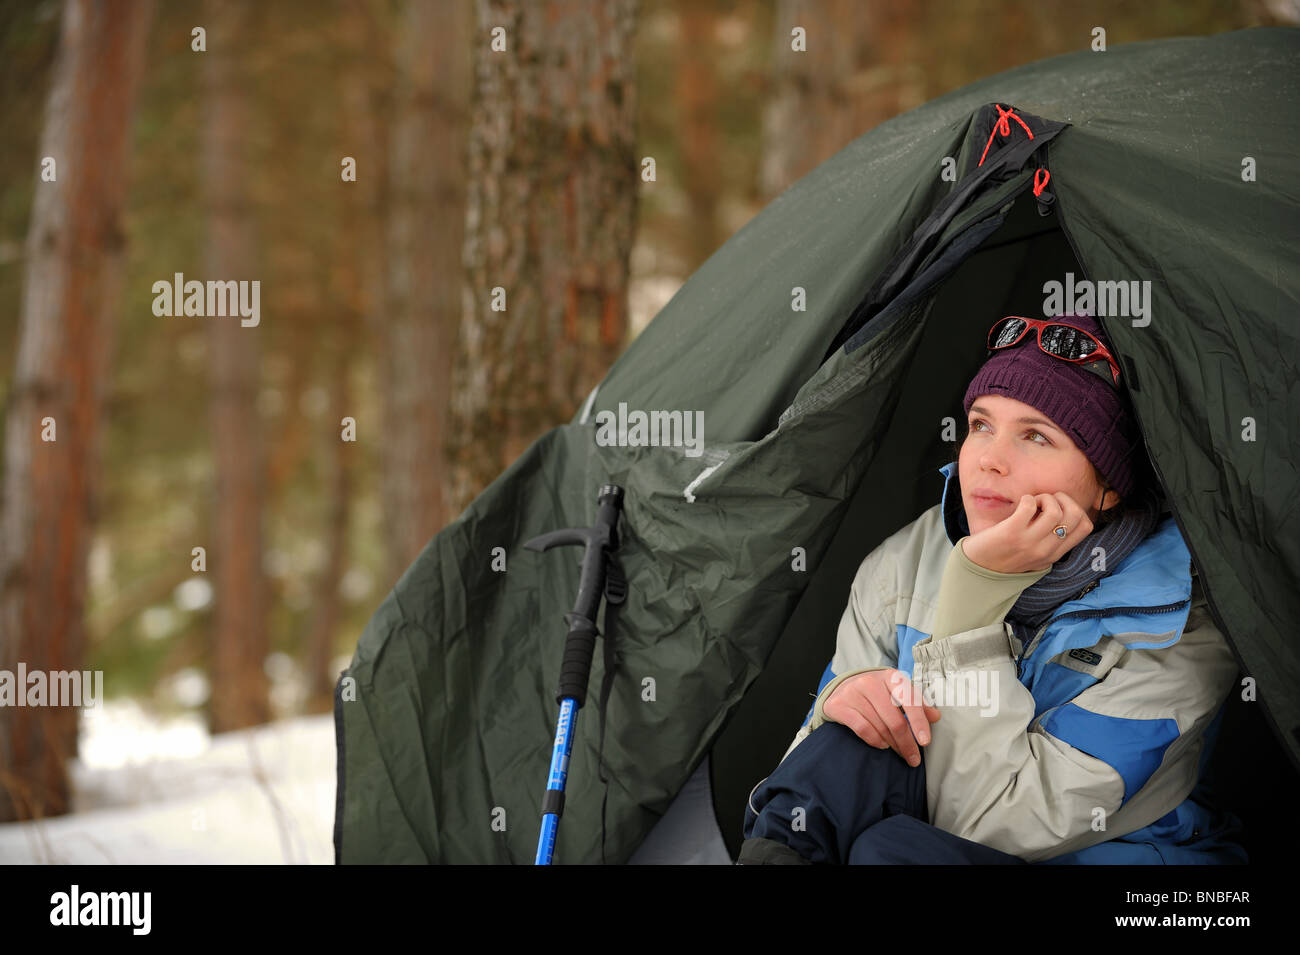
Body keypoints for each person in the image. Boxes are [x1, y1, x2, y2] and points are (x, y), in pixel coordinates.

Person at [738, 313, 1246, 865]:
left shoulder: (1178, 625)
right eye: (981, 424)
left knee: (892, 853)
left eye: (1036, 436)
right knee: (850, 742)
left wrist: (975, 601)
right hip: (918, 832)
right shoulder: (903, 562)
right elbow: (806, 784)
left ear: (1109, 485)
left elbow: (988, 825)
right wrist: (835, 709)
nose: (988, 460)